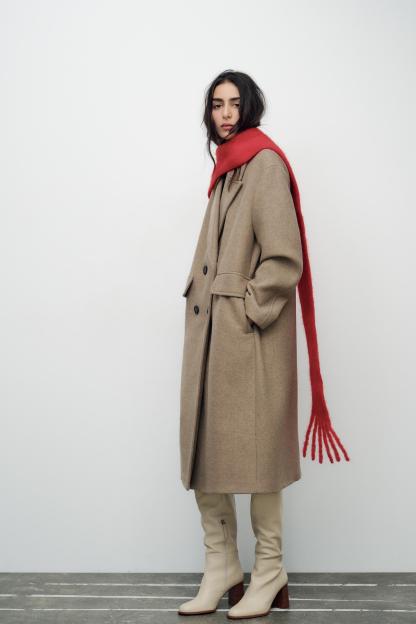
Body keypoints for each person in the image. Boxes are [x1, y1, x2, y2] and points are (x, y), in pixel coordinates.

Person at [178, 69, 349, 619]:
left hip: (245, 340)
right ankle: (222, 565)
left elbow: (283, 257)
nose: (225, 113)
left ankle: (270, 569)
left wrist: (248, 309)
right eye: (216, 104)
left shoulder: (264, 163)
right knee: (207, 452)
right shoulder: (227, 169)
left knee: (257, 458)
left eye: (234, 103)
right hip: (211, 336)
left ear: (249, 107)